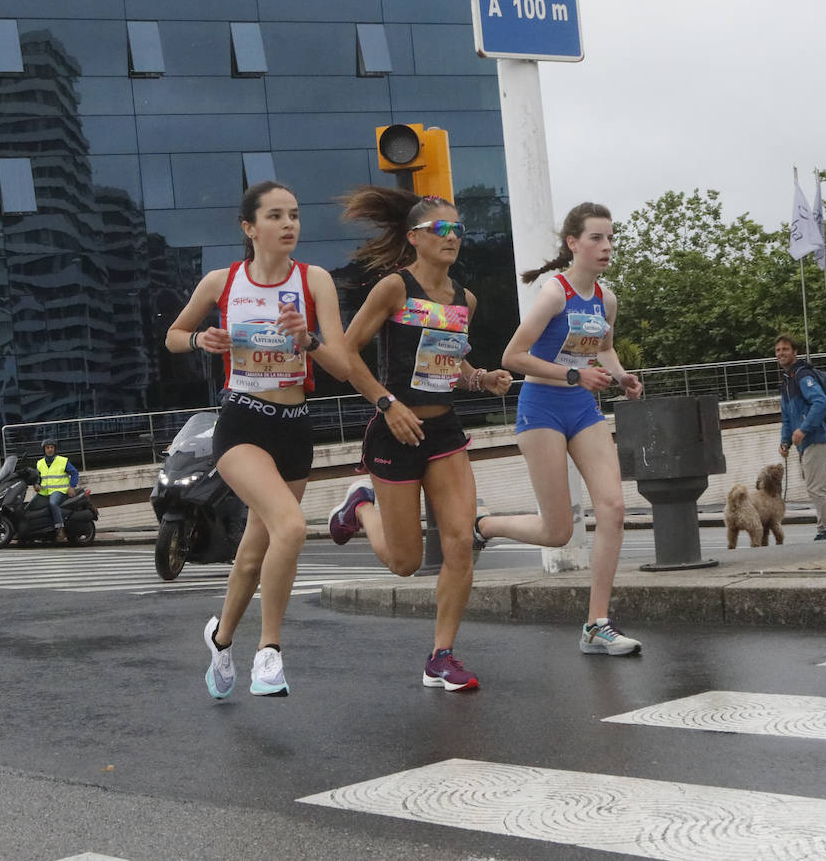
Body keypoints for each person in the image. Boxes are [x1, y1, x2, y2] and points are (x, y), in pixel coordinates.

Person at [165, 180, 350, 699]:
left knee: (253, 552)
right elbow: (173, 336)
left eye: (293, 214)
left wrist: (308, 339)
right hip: (241, 423)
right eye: (275, 216)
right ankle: (269, 653)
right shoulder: (222, 282)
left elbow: (340, 363)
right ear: (250, 228)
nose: (288, 224)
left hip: (294, 429)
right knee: (290, 527)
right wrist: (203, 338)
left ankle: (221, 640)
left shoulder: (315, 281)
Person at [326, 187, 511, 693]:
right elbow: (346, 352)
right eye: (442, 230)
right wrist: (387, 403)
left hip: (444, 430)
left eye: (459, 231)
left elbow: (453, 361)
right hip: (395, 429)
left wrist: (480, 379)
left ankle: (441, 655)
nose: (453, 238)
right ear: (415, 238)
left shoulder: (463, 299)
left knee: (458, 545)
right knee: (406, 563)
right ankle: (360, 507)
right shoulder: (394, 288)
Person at [472, 202, 645, 656]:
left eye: (610, 238)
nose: (606, 246)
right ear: (573, 243)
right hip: (542, 408)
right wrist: (574, 375)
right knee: (558, 532)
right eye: (596, 238)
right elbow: (513, 356)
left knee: (613, 508)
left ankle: (597, 624)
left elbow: (603, 350)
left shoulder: (605, 299)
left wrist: (622, 375)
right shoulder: (554, 293)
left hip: (581, 407)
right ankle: (484, 525)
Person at [775, 333, 826, 541]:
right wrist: (785, 441)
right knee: (815, 487)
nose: (781, 354)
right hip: (805, 441)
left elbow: (820, 402)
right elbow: (787, 417)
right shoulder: (787, 381)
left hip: (816, 438)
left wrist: (803, 429)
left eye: (785, 349)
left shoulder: (803, 376)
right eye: (778, 350)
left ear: (795, 352)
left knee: (815, 487)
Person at [33, 440, 79, 543]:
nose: (50, 449)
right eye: (47, 447)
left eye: (51, 447)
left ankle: (60, 529)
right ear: (44, 449)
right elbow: (37, 477)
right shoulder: (40, 463)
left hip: (59, 490)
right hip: (45, 492)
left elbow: (74, 473)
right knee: (32, 506)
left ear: (55, 449)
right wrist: (36, 484)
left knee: (53, 503)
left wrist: (72, 486)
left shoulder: (62, 461)